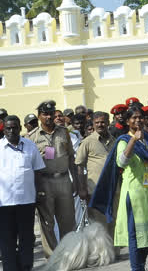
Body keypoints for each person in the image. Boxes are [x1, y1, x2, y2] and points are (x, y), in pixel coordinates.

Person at [91, 105, 148, 271]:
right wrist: (133, 140)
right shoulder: (124, 140)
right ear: (127, 120)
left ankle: (142, 266)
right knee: (135, 234)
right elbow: (121, 162)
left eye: (140, 117)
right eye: (134, 118)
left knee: (147, 232)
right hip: (134, 192)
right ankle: (135, 268)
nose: (138, 120)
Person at [29, 100, 84, 256]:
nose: (48, 116)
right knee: (47, 223)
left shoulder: (64, 132)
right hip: (44, 182)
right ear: (39, 116)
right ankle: (52, 257)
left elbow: (72, 159)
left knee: (68, 220)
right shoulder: (32, 137)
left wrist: (76, 182)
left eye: (51, 113)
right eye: (45, 114)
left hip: (64, 180)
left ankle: (71, 255)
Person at [0, 115, 46, 271]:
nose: (12, 131)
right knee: (7, 240)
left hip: (26, 201)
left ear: (20, 128)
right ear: (4, 130)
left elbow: (38, 171)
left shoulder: (30, 146)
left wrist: (39, 192)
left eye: (14, 127)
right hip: (4, 203)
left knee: (26, 239)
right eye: (8, 128)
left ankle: (26, 267)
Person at [75, 111, 117, 242]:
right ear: (93, 124)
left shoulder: (114, 140)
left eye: (103, 122)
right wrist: (82, 188)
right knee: (99, 223)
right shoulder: (87, 142)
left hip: (113, 188)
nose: (100, 124)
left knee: (113, 220)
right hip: (95, 189)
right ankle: (101, 253)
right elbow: (79, 166)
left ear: (108, 122)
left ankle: (114, 251)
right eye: (97, 122)